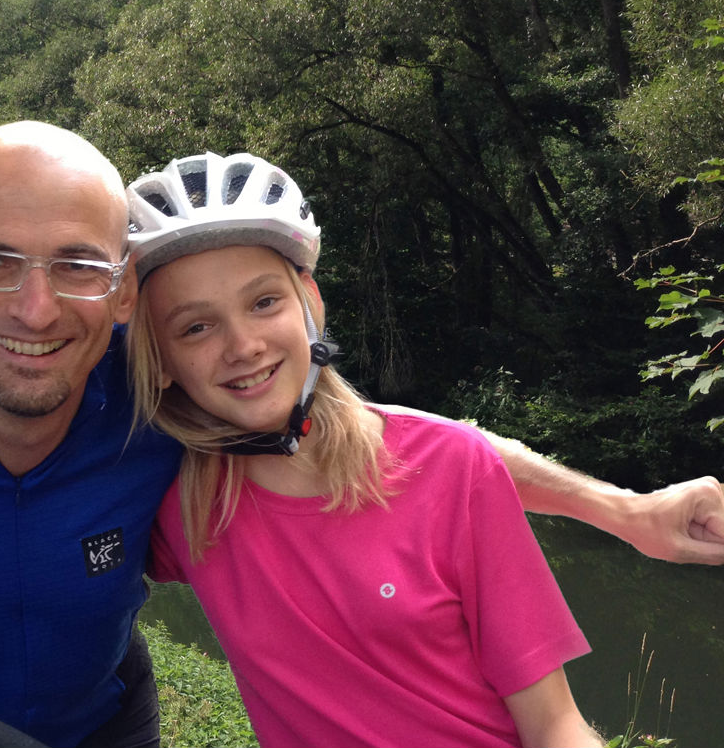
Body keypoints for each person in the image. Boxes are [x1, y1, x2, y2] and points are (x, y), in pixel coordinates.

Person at [0, 122, 721, 748]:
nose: (34, 309)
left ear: (117, 292)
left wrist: (619, 510)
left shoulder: (161, 413)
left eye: (75, 265)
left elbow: (409, 449)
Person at [126, 152, 603, 747]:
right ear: (161, 361)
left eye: (264, 302)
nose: (243, 346)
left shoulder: (453, 466)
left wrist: (619, 507)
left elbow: (554, 724)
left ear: (310, 302)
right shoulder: (183, 506)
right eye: (196, 327)